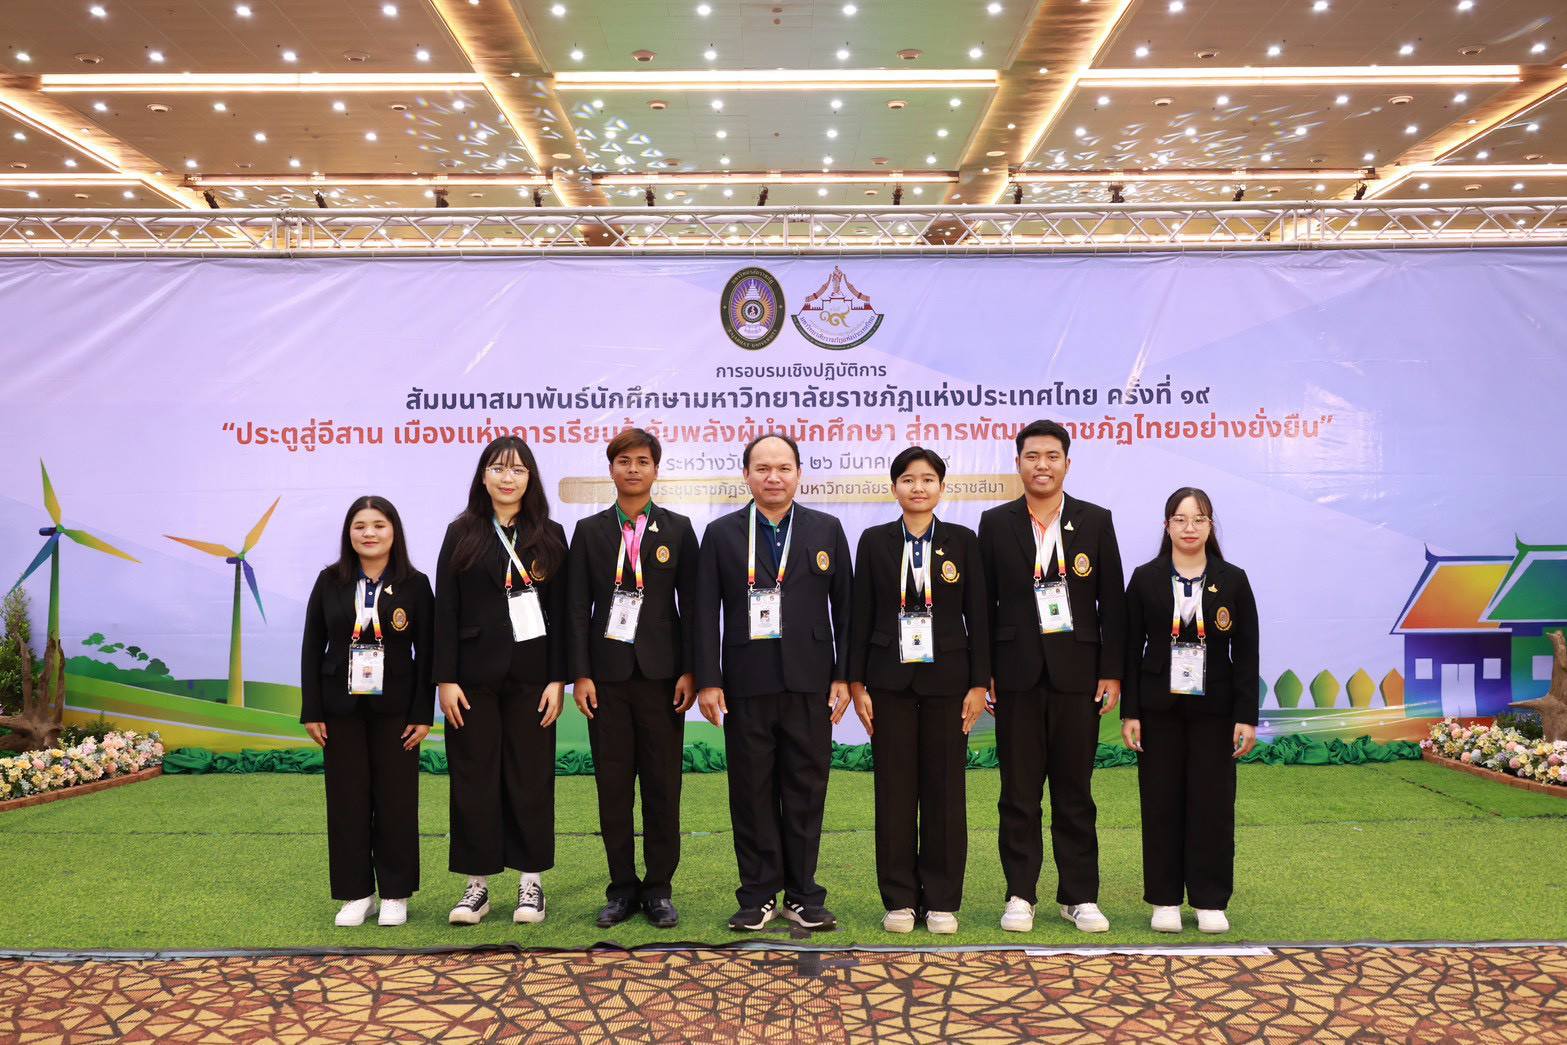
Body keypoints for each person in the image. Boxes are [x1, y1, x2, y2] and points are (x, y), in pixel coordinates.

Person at [694, 432, 853, 932]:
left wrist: (844, 675)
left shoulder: (827, 529)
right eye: (762, 468)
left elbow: (847, 609)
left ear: (799, 473)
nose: (773, 477)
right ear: (746, 475)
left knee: (806, 788)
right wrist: (709, 679)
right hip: (746, 681)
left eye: (783, 468)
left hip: (811, 681)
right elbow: (704, 612)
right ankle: (758, 894)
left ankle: (803, 895)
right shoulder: (721, 534)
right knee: (751, 790)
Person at [978, 418, 1125, 934]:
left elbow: (1112, 603)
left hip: (1078, 675)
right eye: (1032, 456)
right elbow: (983, 605)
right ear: (1018, 463)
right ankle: (1020, 894)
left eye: (1052, 456)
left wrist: (1112, 672)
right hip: (1015, 675)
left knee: (1074, 791)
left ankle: (1079, 896)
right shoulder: (995, 523)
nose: (1042, 465)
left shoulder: (1095, 521)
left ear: (1067, 463)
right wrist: (985, 671)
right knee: (1018, 793)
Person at [848, 447, 989, 935]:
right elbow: (859, 614)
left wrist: (979, 683)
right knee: (894, 791)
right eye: (908, 479)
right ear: (894, 488)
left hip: (949, 682)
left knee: (945, 791)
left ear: (941, 488)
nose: (918, 487)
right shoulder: (874, 541)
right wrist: (856, 682)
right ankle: (900, 900)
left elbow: (979, 615)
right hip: (888, 682)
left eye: (928, 479)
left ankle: (943, 900)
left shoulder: (962, 541)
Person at [567, 428, 700, 930]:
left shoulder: (679, 529)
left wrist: (690, 669)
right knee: (614, 787)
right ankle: (621, 888)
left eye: (642, 461)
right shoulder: (589, 531)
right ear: (611, 469)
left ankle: (659, 889)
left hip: (663, 679)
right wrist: (581, 674)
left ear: (656, 470)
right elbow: (576, 608)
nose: (633, 469)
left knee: (663, 787)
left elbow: (694, 606)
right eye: (624, 461)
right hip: (607, 679)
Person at [433, 436, 568, 927]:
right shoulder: (461, 532)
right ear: (483, 476)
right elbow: (445, 610)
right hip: (472, 681)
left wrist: (558, 678)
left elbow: (564, 613)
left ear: (530, 478)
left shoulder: (550, 534)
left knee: (531, 778)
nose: (507, 478)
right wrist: (445, 678)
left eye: (517, 470)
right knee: (474, 779)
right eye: (497, 468)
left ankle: (531, 883)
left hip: (534, 679)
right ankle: (477, 886)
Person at [1121, 487, 1259, 934]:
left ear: (1210, 525)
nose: (1189, 528)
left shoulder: (1232, 579)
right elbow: (1129, 649)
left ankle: (1209, 900)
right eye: (1180, 519)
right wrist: (1131, 712)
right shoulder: (1145, 578)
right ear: (1166, 526)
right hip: (1157, 710)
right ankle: (1164, 899)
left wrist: (1246, 716)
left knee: (1212, 804)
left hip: (1215, 710)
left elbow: (1247, 652)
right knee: (1160, 802)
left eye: (1199, 519)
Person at [301, 496, 434, 927]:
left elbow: (427, 654)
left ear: (394, 531)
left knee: (396, 801)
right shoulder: (329, 581)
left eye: (379, 525)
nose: (369, 533)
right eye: (360, 526)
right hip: (339, 708)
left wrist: (423, 713)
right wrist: (311, 709)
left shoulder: (415, 584)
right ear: (349, 533)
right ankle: (357, 894)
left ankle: (395, 893)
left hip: (397, 709)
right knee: (347, 801)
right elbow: (311, 645)